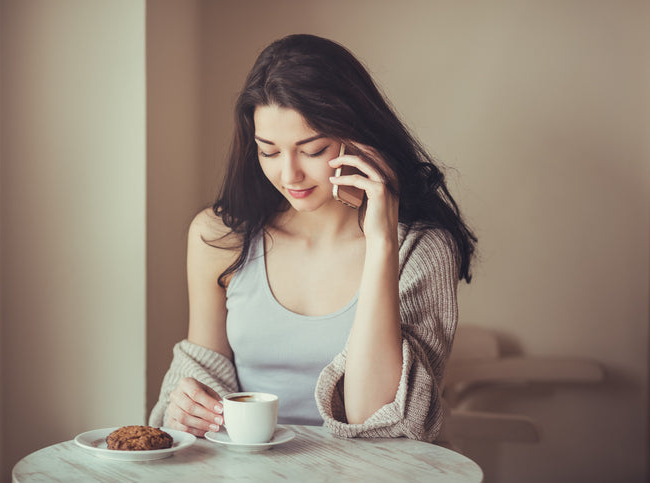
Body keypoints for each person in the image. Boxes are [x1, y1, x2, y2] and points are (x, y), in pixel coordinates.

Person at [149, 34, 476, 442]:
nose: (289, 176)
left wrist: (381, 245)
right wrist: (189, 406)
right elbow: (205, 371)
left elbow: (376, 419)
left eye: (313, 149)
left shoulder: (420, 248)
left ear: (357, 138)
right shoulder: (219, 237)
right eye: (268, 151)